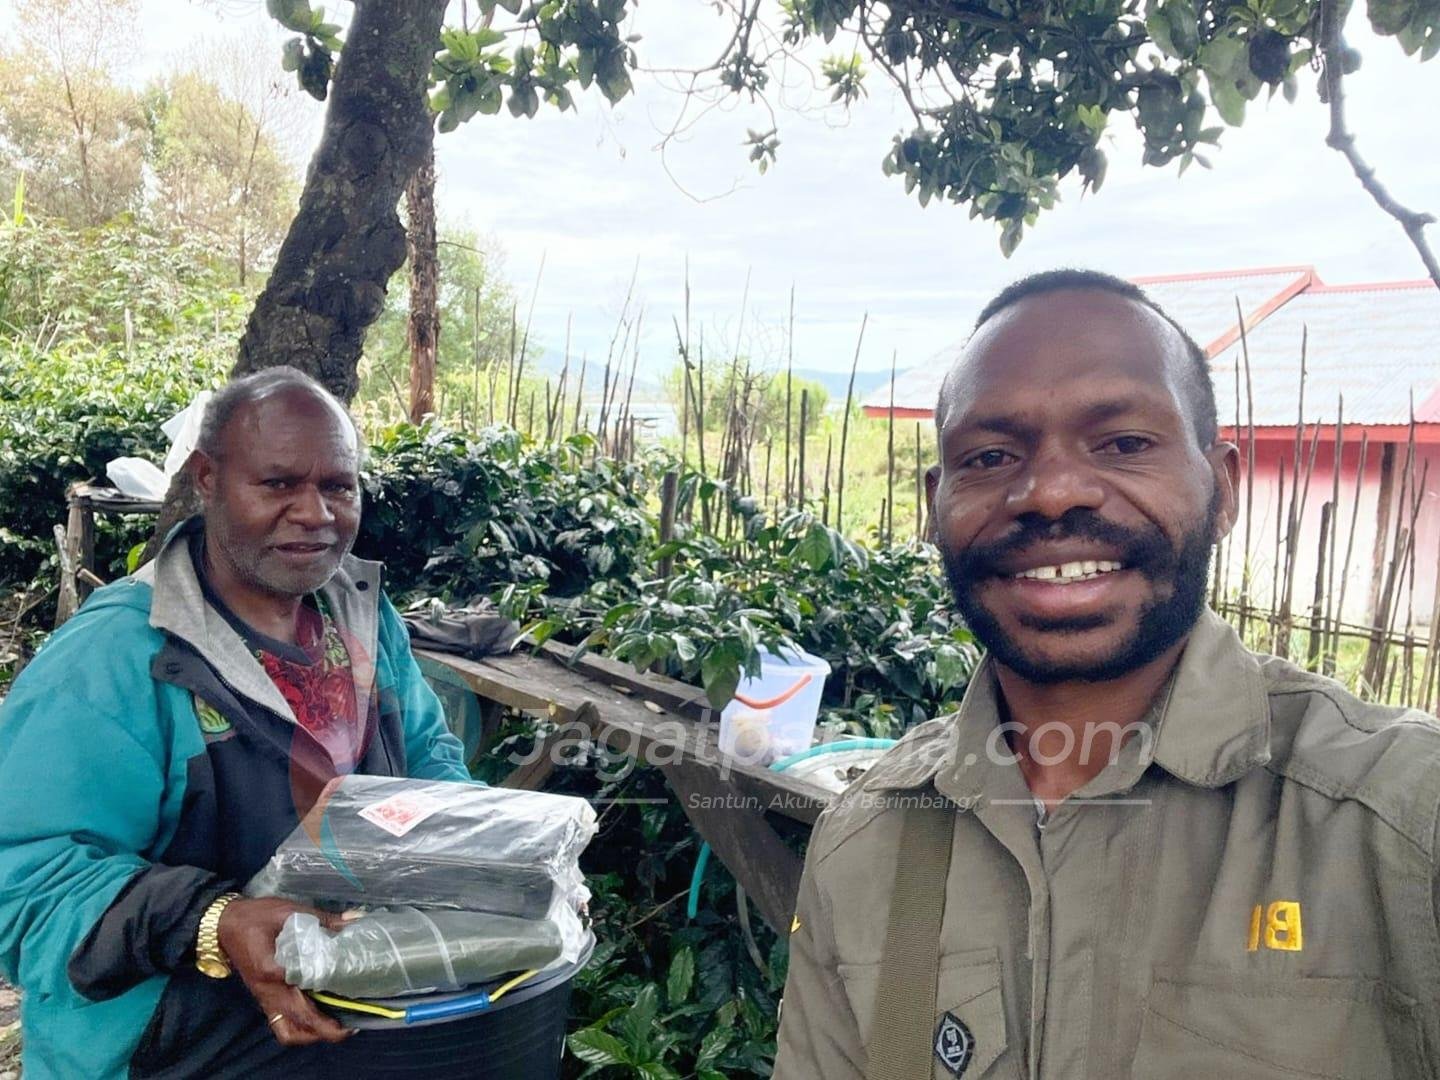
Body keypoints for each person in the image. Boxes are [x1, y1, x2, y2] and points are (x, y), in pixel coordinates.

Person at [773, 270, 1440, 1079]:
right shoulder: (868, 840)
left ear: (1222, 490)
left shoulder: (1401, 822)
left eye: (1124, 444)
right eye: (990, 456)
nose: (1051, 492)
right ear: (936, 506)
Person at [0, 367, 471, 1079]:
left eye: (338, 486)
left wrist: (497, 859)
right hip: (165, 1044)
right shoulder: (119, 656)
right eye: (278, 484)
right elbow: (25, 882)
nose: (314, 512)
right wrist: (215, 921)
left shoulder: (363, 618)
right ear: (207, 480)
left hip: (346, 1004)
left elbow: (431, 760)